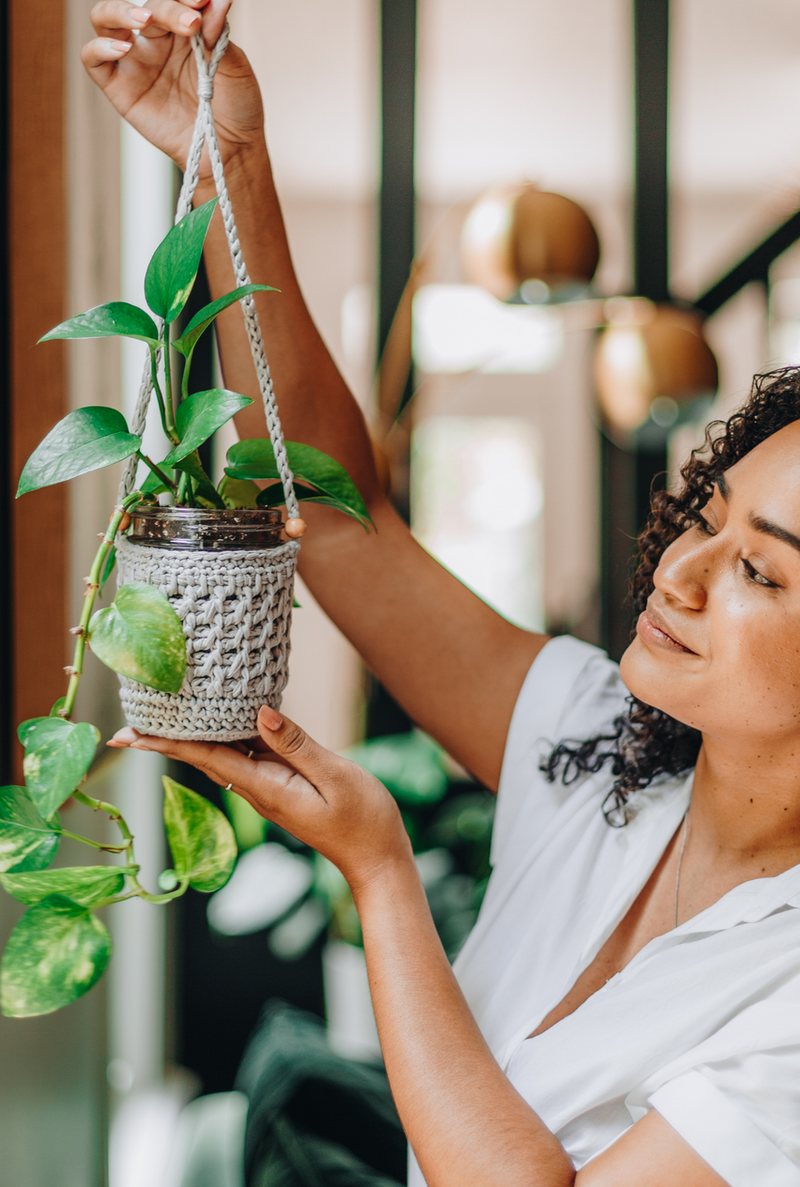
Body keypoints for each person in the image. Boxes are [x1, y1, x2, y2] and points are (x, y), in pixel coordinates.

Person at [91, 3, 800, 1183]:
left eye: (758, 569)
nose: (674, 569)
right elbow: (325, 514)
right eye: (708, 516)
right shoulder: (598, 744)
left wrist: (377, 869)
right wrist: (230, 160)